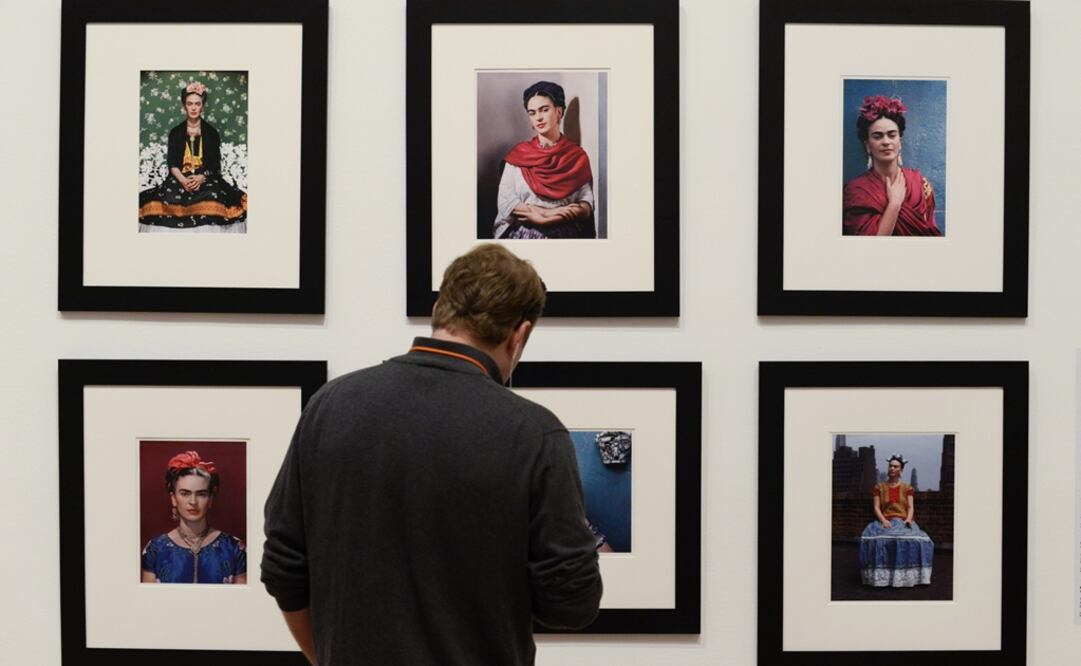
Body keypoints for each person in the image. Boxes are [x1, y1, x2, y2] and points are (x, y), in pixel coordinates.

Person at [262, 244, 603, 665]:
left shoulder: (331, 406)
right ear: (520, 334)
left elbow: (284, 569)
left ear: (441, 309)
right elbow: (571, 604)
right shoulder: (533, 433)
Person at [138, 81, 248, 232]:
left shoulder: (211, 132)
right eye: (190, 104)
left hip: (205, 178)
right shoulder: (175, 132)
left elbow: (214, 164)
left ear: (202, 106)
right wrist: (183, 180)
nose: (194, 107)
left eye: (197, 103)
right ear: (184, 106)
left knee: (212, 196)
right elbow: (172, 164)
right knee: (169, 197)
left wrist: (200, 178)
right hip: (180, 178)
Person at [493, 81, 596, 239]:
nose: (538, 118)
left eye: (544, 110)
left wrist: (549, 219)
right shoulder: (518, 155)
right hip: (524, 234)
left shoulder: (577, 157)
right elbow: (506, 201)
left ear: (559, 112)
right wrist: (545, 213)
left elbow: (586, 204)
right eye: (532, 112)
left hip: (566, 235)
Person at [141, 450, 247, 584]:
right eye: (185, 493)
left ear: (210, 499)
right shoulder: (155, 549)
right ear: (173, 498)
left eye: (201, 494)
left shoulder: (234, 548)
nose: (193, 502)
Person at [842, 95, 941, 236]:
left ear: (899, 141)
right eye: (877, 136)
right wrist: (894, 205)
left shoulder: (919, 183)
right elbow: (865, 249)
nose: (886, 141)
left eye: (892, 135)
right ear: (868, 145)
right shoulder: (856, 191)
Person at [857, 454, 934, 587]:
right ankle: (882, 577)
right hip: (885, 520)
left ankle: (906, 577)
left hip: (903, 520)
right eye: (890, 466)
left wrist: (908, 520)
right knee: (876, 539)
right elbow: (876, 507)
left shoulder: (907, 488)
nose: (892, 468)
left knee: (917, 540)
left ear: (901, 470)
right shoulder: (879, 487)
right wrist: (883, 520)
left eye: (895, 466)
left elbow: (910, 507)